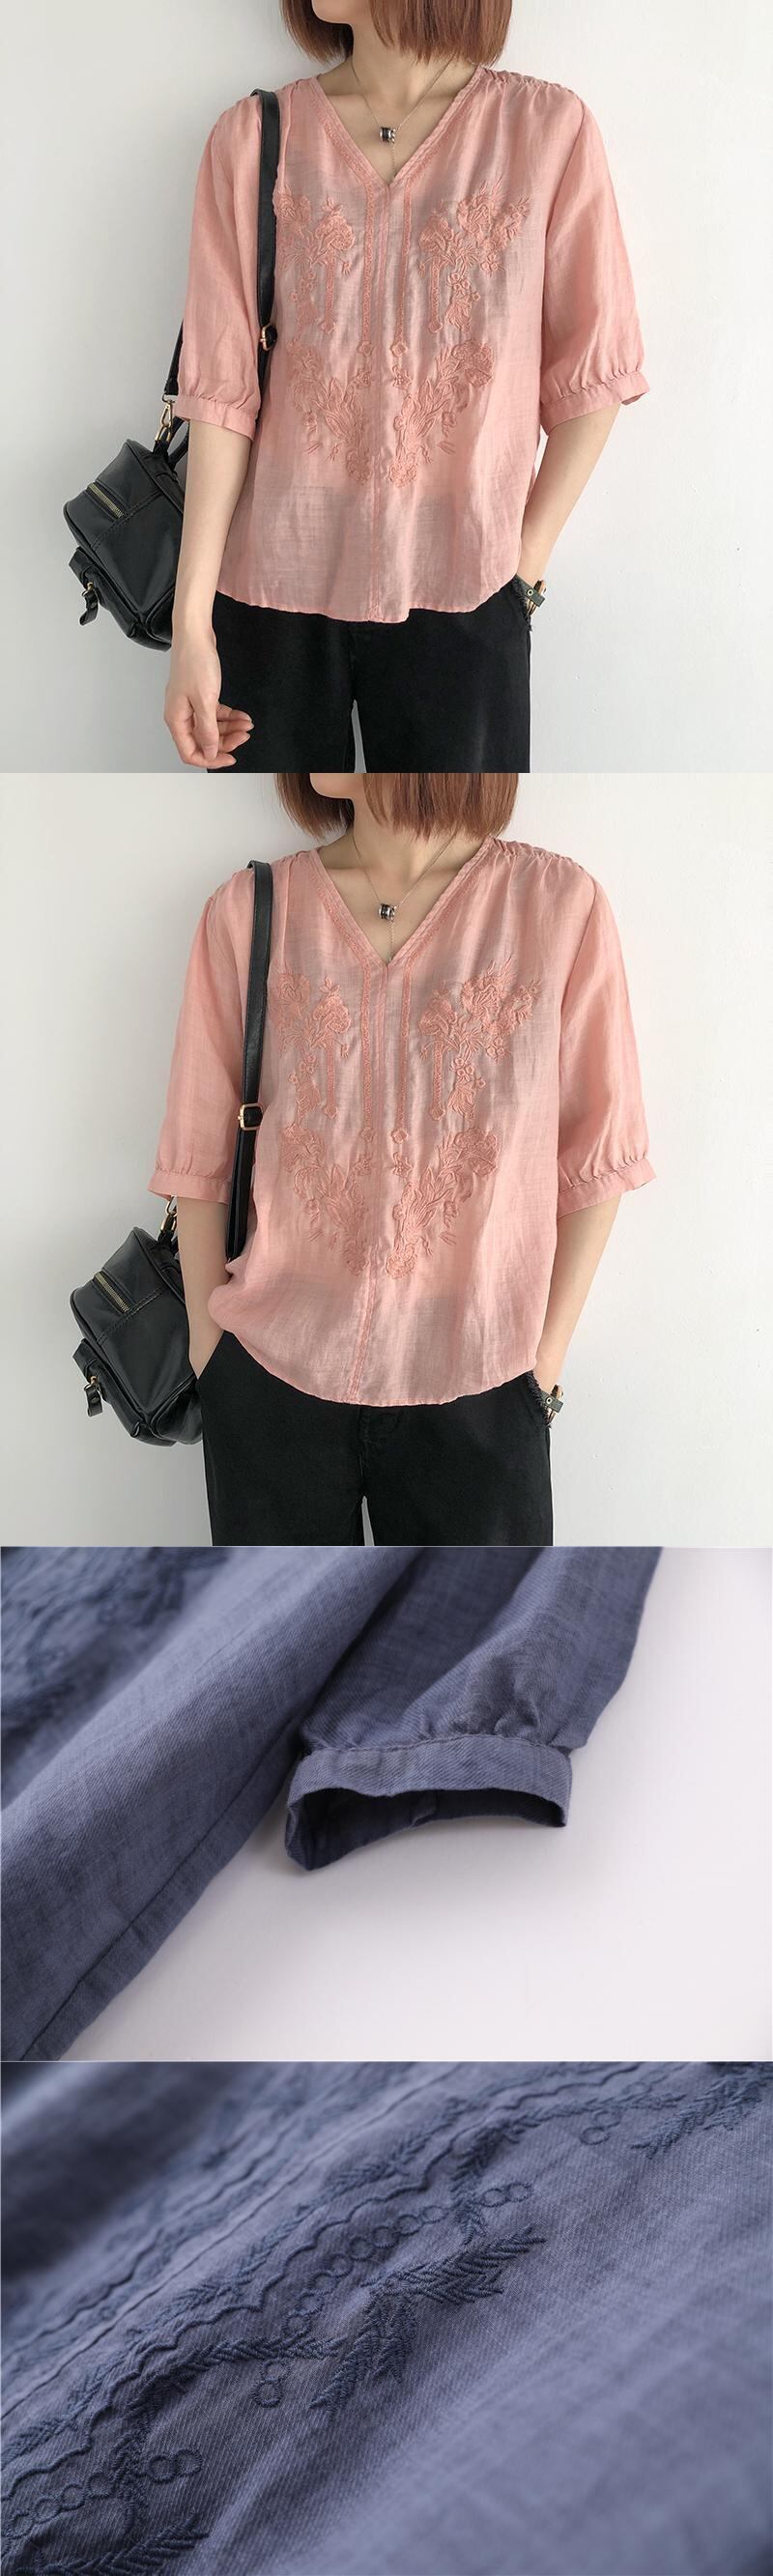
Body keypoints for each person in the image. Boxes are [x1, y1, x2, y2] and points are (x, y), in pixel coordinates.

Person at [150, 770, 653, 1541]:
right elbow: (199, 1154)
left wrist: (542, 1365)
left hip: (485, 1374)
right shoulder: (250, 911)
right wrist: (210, 1352)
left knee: (469, 1620)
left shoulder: (556, 907)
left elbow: (599, 1154)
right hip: (270, 1373)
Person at [164, 0, 647, 772]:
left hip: (469, 587)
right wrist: (191, 623)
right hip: (271, 590)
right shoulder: (254, 139)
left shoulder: (545, 133)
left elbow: (594, 373)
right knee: (269, 810)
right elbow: (220, 396)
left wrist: (521, 571)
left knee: (441, 815)